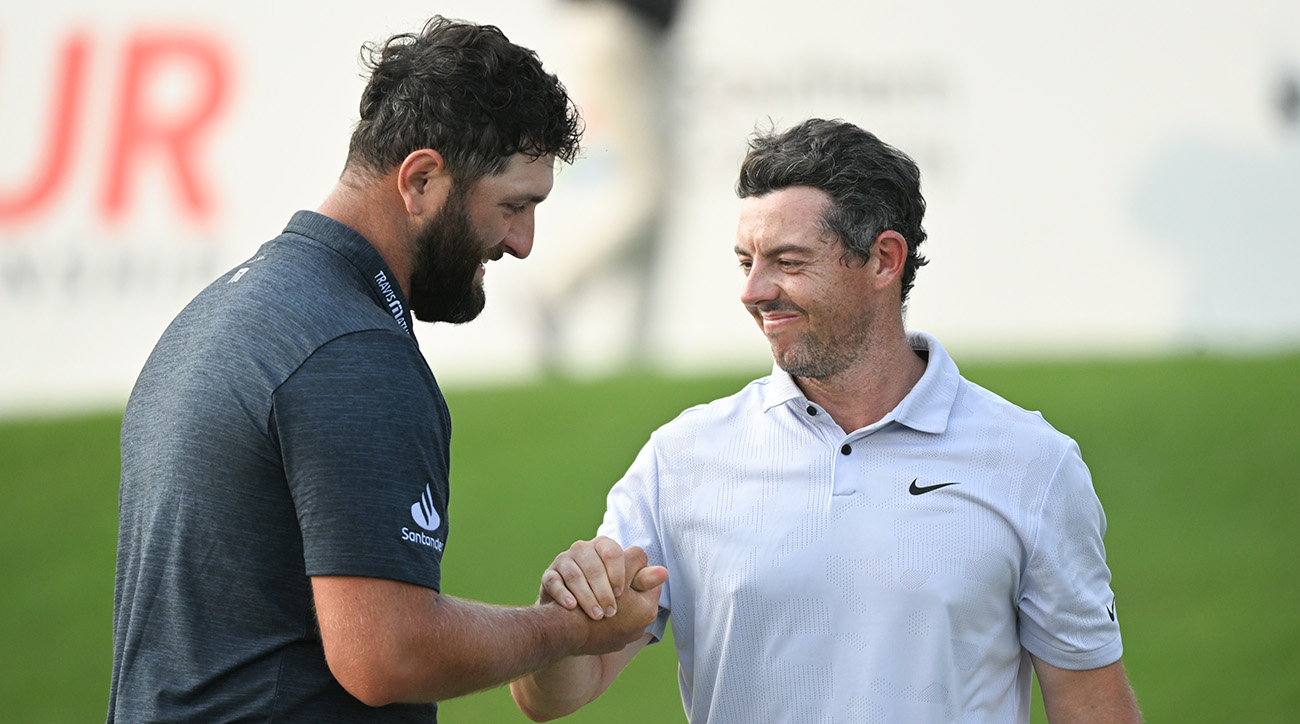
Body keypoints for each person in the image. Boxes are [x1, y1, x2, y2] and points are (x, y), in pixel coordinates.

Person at [107, 16, 665, 724]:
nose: (522, 243)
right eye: (514, 206)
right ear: (423, 179)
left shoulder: (218, 314)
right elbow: (387, 654)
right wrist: (569, 630)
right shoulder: (353, 352)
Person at [511, 118, 1143, 722]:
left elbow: (1091, 703)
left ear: (884, 261)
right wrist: (560, 622)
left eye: (788, 262)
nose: (754, 291)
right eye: (745, 261)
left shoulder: (1031, 461)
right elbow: (557, 695)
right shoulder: (681, 458)